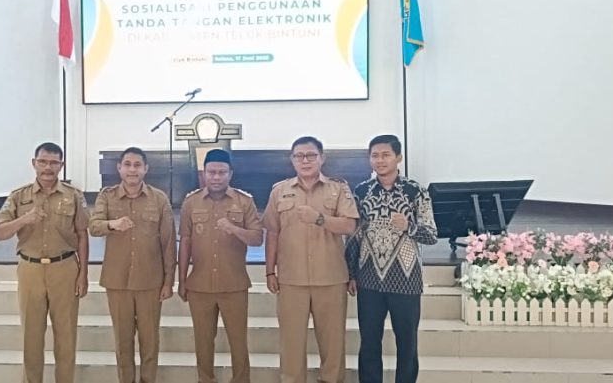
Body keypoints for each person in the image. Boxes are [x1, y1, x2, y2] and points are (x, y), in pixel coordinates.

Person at [264, 136, 359, 383]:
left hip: (330, 277)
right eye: (299, 156)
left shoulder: (338, 189)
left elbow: (350, 226)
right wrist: (269, 271)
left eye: (311, 155)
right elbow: (272, 232)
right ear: (292, 160)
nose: (305, 161)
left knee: (332, 342)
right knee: (291, 342)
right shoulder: (279, 191)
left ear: (322, 158)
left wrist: (320, 218)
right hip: (291, 278)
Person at [345, 134, 438, 383]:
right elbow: (353, 236)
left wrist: (409, 226)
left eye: (385, 155)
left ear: (399, 157)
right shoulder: (361, 191)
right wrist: (351, 273)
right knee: (369, 343)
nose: (380, 160)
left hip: (406, 280)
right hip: (368, 279)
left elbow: (431, 235)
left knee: (407, 344)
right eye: (374, 155)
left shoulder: (416, 191)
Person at [0, 142, 89, 383]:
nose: (48, 167)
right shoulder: (19, 196)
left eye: (54, 163)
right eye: (43, 162)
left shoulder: (74, 196)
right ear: (34, 163)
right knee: (31, 337)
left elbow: (82, 234)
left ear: (61, 165)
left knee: (66, 337)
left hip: (65, 269)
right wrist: (24, 219)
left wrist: (83, 274)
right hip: (31, 270)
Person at [90, 146, 177, 383]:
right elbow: (93, 226)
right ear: (119, 168)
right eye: (127, 165)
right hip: (117, 282)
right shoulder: (107, 196)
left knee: (150, 342)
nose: (132, 170)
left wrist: (169, 281)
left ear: (146, 169)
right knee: (123, 342)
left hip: (150, 281)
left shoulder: (159, 199)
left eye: (137, 165)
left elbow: (169, 242)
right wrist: (112, 224)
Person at [177, 149, 264, 383]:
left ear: (230, 174)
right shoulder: (191, 202)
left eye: (222, 172)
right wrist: (182, 279)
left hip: (234, 284)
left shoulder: (244, 201)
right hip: (200, 285)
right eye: (211, 172)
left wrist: (235, 229)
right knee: (203, 341)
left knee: (238, 341)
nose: (216, 177)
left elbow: (257, 238)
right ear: (204, 173)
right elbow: (185, 242)